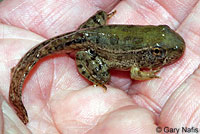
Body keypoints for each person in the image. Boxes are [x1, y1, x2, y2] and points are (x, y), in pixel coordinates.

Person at [0, 0, 199, 133]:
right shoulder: (138, 63)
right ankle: (18, 96)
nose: (160, 54)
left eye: (158, 52)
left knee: (100, 15)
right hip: (90, 47)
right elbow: (135, 73)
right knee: (103, 77)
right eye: (157, 52)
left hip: (91, 34)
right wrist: (148, 74)